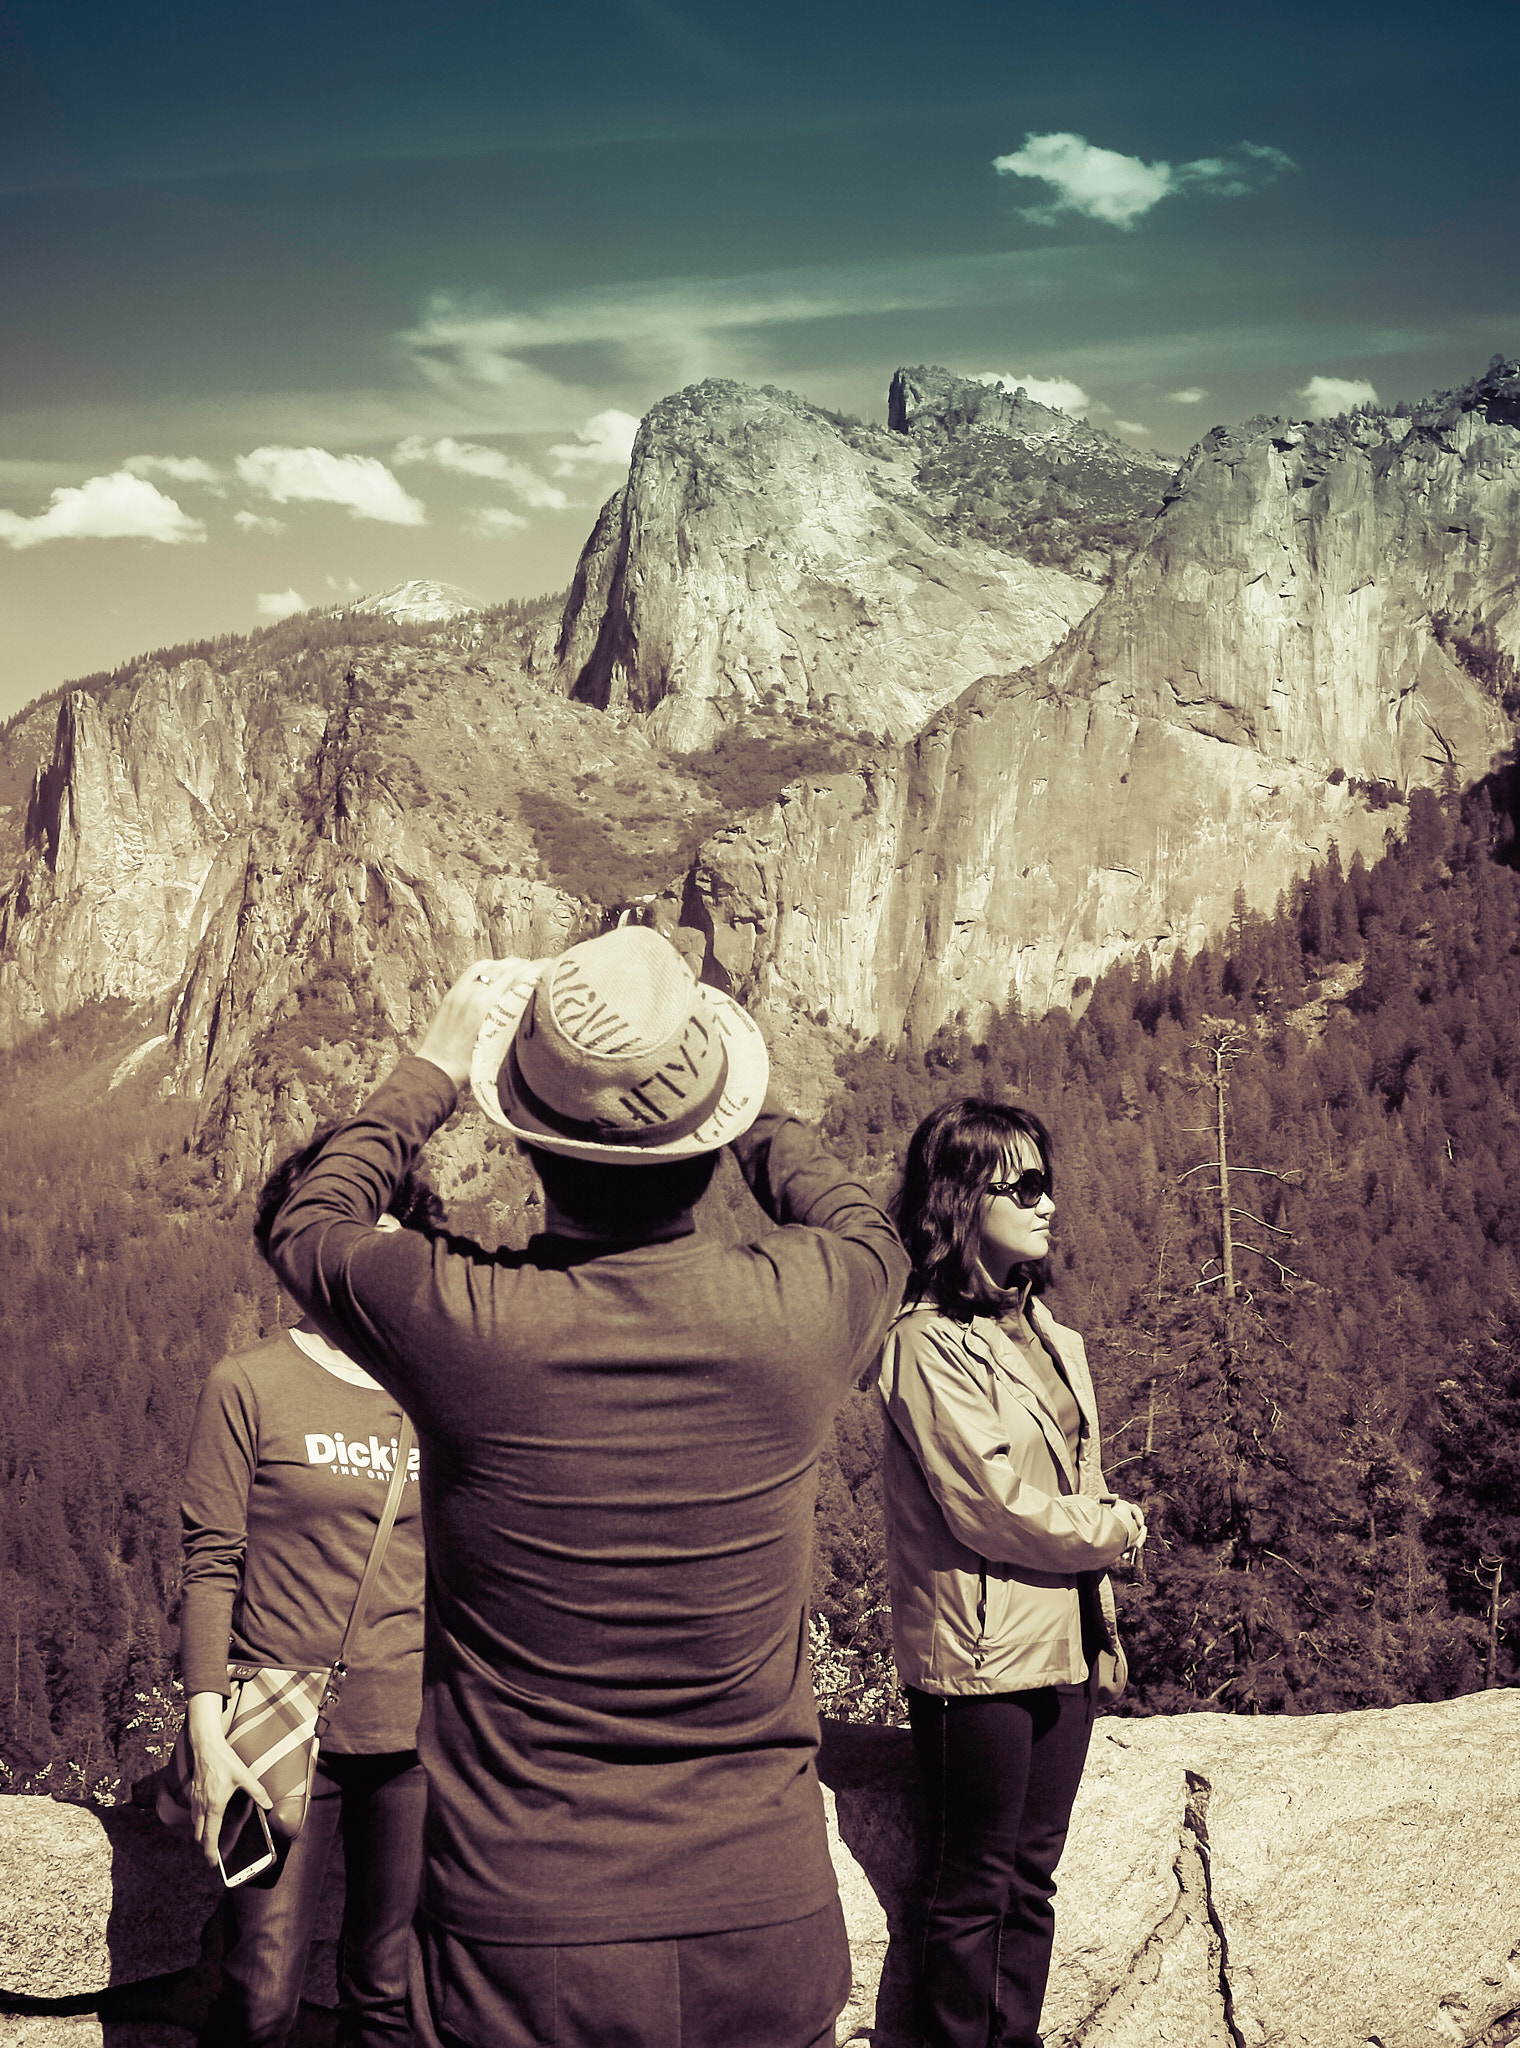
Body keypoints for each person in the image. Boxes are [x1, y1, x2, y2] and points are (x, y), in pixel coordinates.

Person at [264, 926, 910, 2048]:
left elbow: (309, 1222)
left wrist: (431, 1065)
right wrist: (720, 1091)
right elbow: (866, 1227)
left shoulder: (466, 1322)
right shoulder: (805, 1308)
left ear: (527, 1140)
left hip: (521, 1942)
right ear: (710, 1138)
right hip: (763, 1928)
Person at [877, 1097, 1147, 2048]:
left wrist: (1104, 1628)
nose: (1049, 1202)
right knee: (971, 1893)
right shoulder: (925, 1344)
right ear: (960, 1200)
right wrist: (1111, 1533)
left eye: (1049, 1182)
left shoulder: (1054, 1336)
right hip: (979, 1657)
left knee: (1030, 1886)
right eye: (1023, 1185)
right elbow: (988, 1505)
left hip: (1062, 1652)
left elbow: (1078, 1475)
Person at [179, 1133, 440, 2047]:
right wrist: (206, 1734)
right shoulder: (248, 1383)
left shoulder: (433, 1394)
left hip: (415, 1738)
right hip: (276, 1735)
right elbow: (211, 1562)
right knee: (259, 1995)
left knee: (389, 1994)